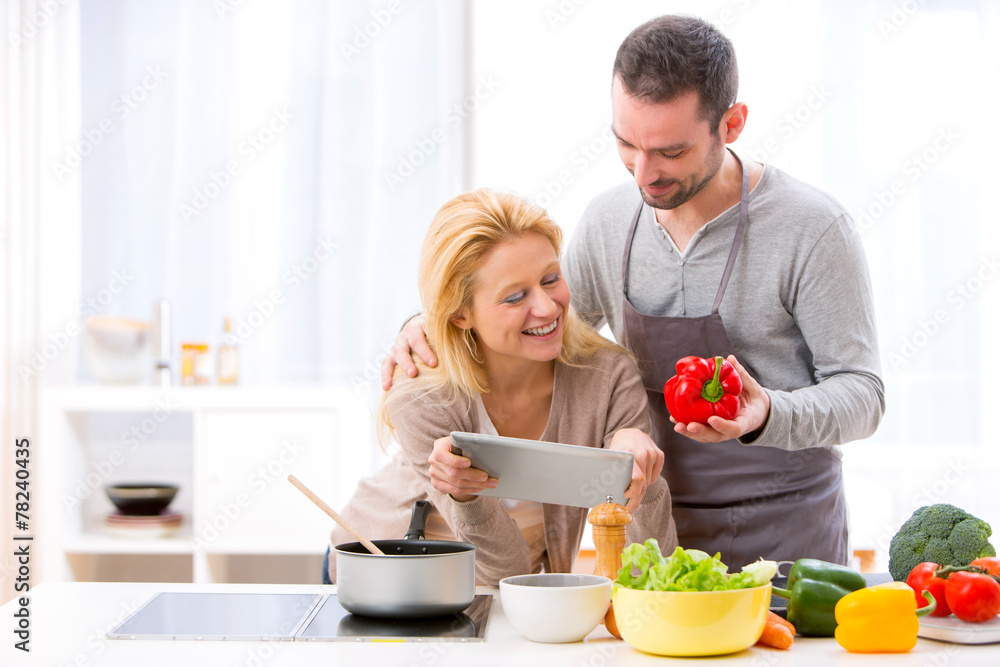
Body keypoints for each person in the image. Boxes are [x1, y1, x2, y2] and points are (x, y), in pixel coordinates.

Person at [382, 15, 884, 569]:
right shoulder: (609, 223)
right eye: (626, 143)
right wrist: (427, 321)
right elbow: (541, 323)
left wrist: (767, 413)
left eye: (670, 151)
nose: (644, 175)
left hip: (789, 529)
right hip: (653, 524)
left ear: (732, 123)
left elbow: (864, 395)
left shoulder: (812, 229)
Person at [328, 188, 677, 586]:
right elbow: (502, 569)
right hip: (386, 572)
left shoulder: (608, 376)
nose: (547, 308)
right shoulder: (422, 395)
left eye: (551, 279)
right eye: (515, 297)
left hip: (504, 593)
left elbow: (651, 572)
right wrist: (467, 497)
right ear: (460, 314)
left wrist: (642, 480)